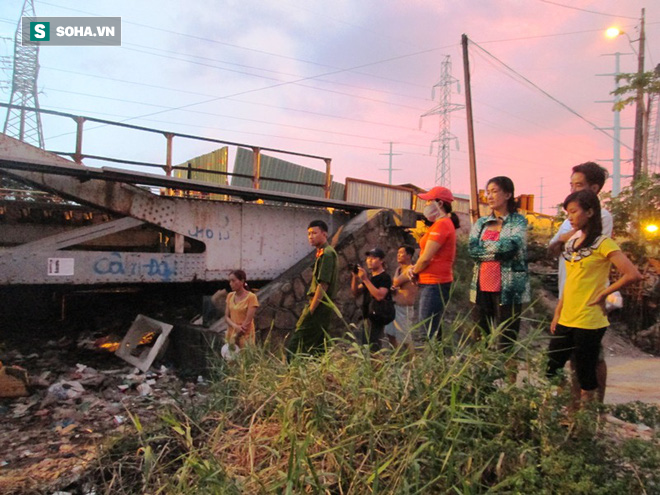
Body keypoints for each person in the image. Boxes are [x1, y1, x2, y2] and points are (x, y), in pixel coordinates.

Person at [547, 190, 641, 406]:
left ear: (590, 212)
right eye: (567, 213)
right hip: (567, 316)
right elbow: (571, 281)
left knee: (585, 373)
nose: (570, 217)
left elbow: (633, 274)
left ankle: (586, 425)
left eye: (574, 212)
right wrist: (558, 311)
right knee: (551, 367)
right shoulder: (572, 244)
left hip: (589, 319)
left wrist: (604, 293)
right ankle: (557, 414)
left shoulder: (603, 243)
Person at [548, 162, 613, 402]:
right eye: (571, 185)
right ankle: (573, 408)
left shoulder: (603, 216)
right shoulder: (570, 219)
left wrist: (568, 236)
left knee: (591, 358)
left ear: (594, 188)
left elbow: (588, 242)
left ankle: (594, 410)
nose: (574, 190)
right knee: (569, 357)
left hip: (590, 299)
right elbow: (553, 247)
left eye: (580, 185)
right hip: (569, 294)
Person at [468, 176, 530, 349]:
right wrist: (496, 250)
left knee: (507, 339)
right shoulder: (481, 222)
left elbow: (511, 247)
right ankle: (482, 375)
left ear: (508, 194)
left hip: (509, 289)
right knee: (480, 340)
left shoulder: (518, 221)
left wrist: (485, 248)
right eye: (488, 192)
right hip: (481, 288)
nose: (490, 196)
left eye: (495, 191)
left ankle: (508, 375)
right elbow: (472, 250)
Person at [408, 186, 459, 341]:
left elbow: (425, 258)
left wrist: (413, 271)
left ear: (440, 204)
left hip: (434, 283)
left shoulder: (442, 225)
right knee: (433, 330)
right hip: (432, 282)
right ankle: (440, 362)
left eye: (429, 201)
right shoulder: (440, 224)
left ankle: (430, 362)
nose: (426, 205)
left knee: (426, 331)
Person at [286, 220, 338, 359]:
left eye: (314, 233)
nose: (311, 236)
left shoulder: (327, 254)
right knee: (318, 348)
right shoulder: (323, 253)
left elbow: (323, 285)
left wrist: (311, 310)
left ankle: (293, 374)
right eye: (309, 233)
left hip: (319, 308)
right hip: (321, 307)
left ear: (324, 234)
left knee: (295, 345)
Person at [351, 247, 392, 353]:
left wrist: (365, 279)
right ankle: (372, 368)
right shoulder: (370, 277)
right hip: (367, 315)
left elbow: (379, 296)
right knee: (366, 346)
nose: (369, 261)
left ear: (381, 260)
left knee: (374, 347)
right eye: (368, 258)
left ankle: (378, 368)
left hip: (377, 315)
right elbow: (356, 292)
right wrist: (355, 277)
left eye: (373, 258)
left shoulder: (385, 277)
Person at [385, 245, 417, 351]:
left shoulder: (411, 269)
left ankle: (413, 363)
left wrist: (394, 285)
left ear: (409, 255)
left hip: (405, 309)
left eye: (401, 253)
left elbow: (396, 282)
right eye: (398, 253)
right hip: (395, 306)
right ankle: (397, 357)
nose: (398, 255)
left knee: (405, 339)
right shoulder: (399, 269)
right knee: (390, 333)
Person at [225, 270, 259, 348]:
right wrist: (235, 327)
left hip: (245, 336)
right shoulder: (230, 295)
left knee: (244, 358)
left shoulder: (251, 297)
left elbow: (248, 321)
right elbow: (226, 317)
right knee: (231, 358)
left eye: (233, 281)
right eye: (230, 281)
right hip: (231, 333)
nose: (231, 284)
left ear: (242, 281)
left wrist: (237, 335)